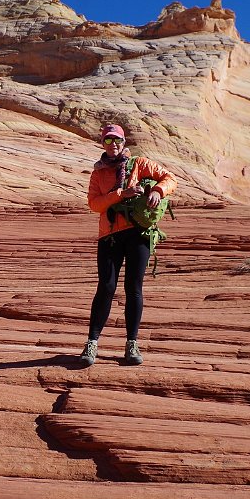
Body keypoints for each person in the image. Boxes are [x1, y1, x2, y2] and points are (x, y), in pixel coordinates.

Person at [80, 123, 176, 366]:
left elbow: (170, 178)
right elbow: (94, 204)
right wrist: (120, 195)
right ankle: (91, 344)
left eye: (117, 141)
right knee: (106, 287)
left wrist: (158, 190)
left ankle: (132, 344)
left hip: (138, 233)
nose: (113, 145)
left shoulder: (140, 165)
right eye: (108, 141)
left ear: (124, 143)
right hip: (110, 235)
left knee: (134, 288)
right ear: (102, 144)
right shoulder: (98, 174)